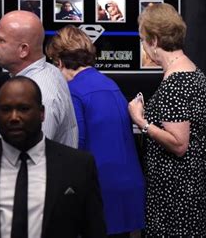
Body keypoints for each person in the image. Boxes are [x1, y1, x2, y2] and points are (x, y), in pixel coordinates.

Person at [0, 76, 107, 238]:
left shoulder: (77, 166)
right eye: (5, 109)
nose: (14, 117)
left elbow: (94, 231)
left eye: (23, 109)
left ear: (41, 113)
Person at [46, 25, 145, 237]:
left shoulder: (74, 91)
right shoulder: (111, 85)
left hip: (99, 191)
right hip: (127, 187)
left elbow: (76, 147)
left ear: (60, 62)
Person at [128, 3, 206, 236]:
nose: (144, 47)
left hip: (175, 191)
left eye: (143, 40)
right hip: (190, 183)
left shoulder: (175, 83)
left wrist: (141, 121)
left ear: (155, 40)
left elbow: (178, 143)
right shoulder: (192, 71)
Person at [0, 10, 78, 148]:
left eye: (1, 40)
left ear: (23, 50)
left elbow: (31, 158)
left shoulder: (41, 94)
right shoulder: (49, 71)